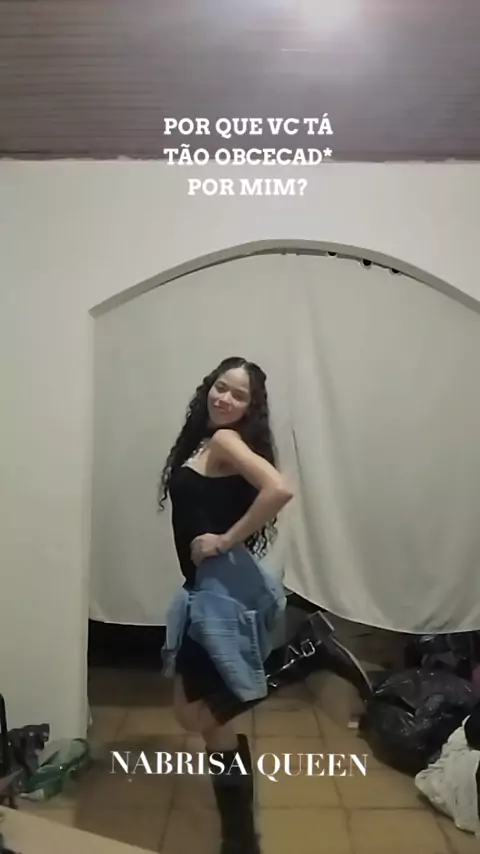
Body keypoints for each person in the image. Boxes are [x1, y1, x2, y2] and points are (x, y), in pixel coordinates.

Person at [158, 356, 293, 854]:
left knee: (201, 716)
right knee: (204, 719)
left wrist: (224, 539)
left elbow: (280, 489)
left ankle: (300, 661)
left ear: (250, 408)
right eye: (221, 387)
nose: (225, 399)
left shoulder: (224, 440)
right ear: (208, 387)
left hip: (216, 595)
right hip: (204, 590)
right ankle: (240, 840)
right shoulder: (207, 440)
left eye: (239, 395)